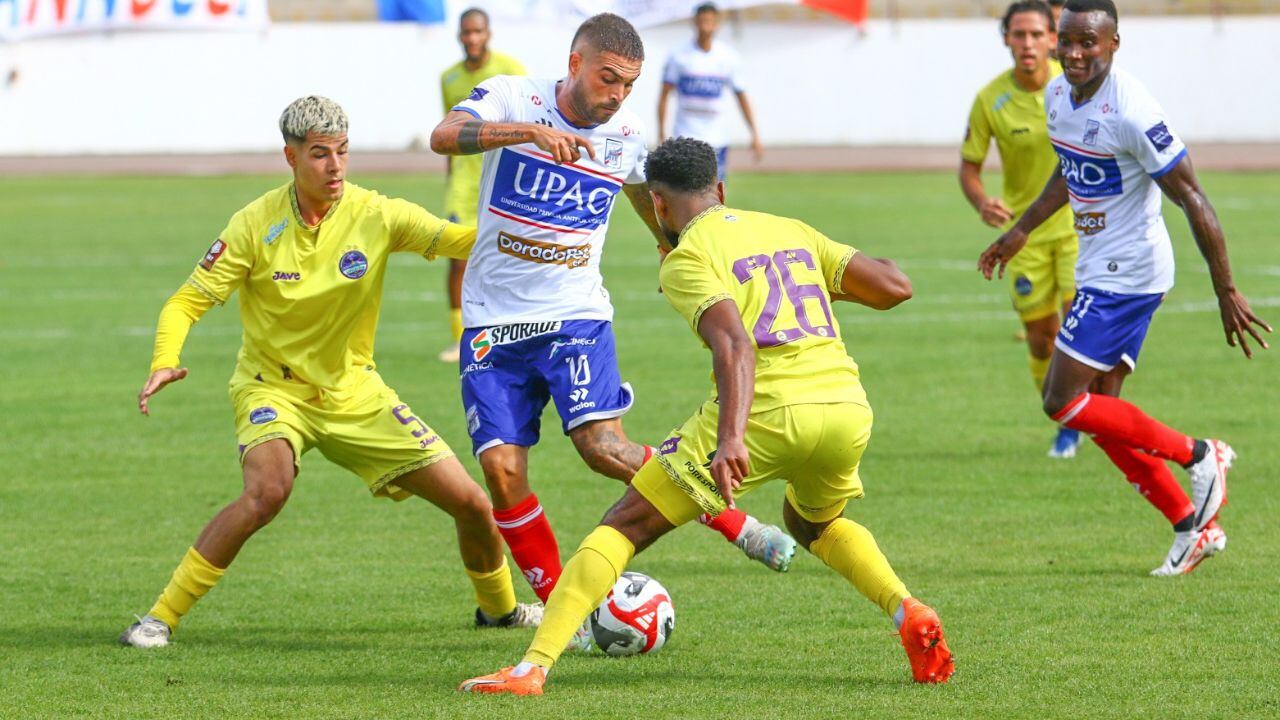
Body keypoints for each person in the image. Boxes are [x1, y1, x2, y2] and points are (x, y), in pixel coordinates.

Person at [458, 137, 955, 695]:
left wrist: (732, 439)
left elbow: (734, 344)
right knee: (811, 523)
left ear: (661, 208)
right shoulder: (791, 229)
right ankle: (905, 610)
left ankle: (533, 668)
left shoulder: (687, 258)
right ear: (719, 189)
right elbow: (894, 288)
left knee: (624, 526)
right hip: (846, 411)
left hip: (766, 415)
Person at [119, 96, 540, 649]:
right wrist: (165, 359)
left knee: (473, 504)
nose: (335, 166)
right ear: (290, 157)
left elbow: (459, 240)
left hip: (354, 392)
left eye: (343, 152)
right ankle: (158, 619)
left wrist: (546, 240)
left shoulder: (375, 214)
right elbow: (185, 302)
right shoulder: (253, 224)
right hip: (272, 388)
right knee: (267, 491)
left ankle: (500, 611)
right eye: (320, 155)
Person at [428, 13, 797, 624]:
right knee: (500, 469)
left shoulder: (622, 134)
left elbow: (637, 189)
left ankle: (737, 525)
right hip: (492, 320)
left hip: (574, 314)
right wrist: (525, 135)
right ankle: (561, 613)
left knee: (603, 448)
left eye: (629, 84)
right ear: (576, 64)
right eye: (608, 79)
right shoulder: (515, 96)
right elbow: (445, 135)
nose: (617, 94)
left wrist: (667, 241)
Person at [978, 0, 1271, 576]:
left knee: (1061, 401)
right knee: (1100, 411)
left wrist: (1226, 289)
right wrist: (1020, 231)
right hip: (1101, 264)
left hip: (1128, 274)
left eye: (1089, 42)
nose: (1075, 52)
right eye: (1069, 41)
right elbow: (1071, 170)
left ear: (1115, 44)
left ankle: (1200, 453)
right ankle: (1191, 527)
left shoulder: (1133, 111)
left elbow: (1191, 195)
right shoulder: (1059, 97)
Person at [960, 0, 1081, 459]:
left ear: (1053, 37)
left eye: (1036, 34)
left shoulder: (1074, 83)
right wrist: (981, 200)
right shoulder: (991, 98)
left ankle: (1081, 422)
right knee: (1041, 337)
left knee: (1077, 329)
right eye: (1018, 35)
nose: (1027, 43)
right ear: (1006, 39)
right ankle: (1063, 417)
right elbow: (969, 168)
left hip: (1078, 230)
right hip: (1022, 237)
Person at [436, 7, 527, 363]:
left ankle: (514, 332)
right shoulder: (448, 79)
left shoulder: (511, 70)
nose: (472, 38)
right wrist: (449, 175)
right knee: (457, 258)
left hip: (501, 180)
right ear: (460, 35)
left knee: (511, 256)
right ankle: (460, 341)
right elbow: (449, 130)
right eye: (466, 32)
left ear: (488, 33)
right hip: (463, 181)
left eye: (478, 32)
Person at [657, 2, 762, 181]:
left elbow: (741, 96)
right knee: (685, 189)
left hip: (716, 138)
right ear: (694, 22)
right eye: (702, 20)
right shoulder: (679, 55)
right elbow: (664, 96)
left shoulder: (728, 57)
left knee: (715, 190)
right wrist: (661, 132)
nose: (706, 24)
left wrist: (754, 134)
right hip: (685, 137)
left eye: (710, 20)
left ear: (717, 23)